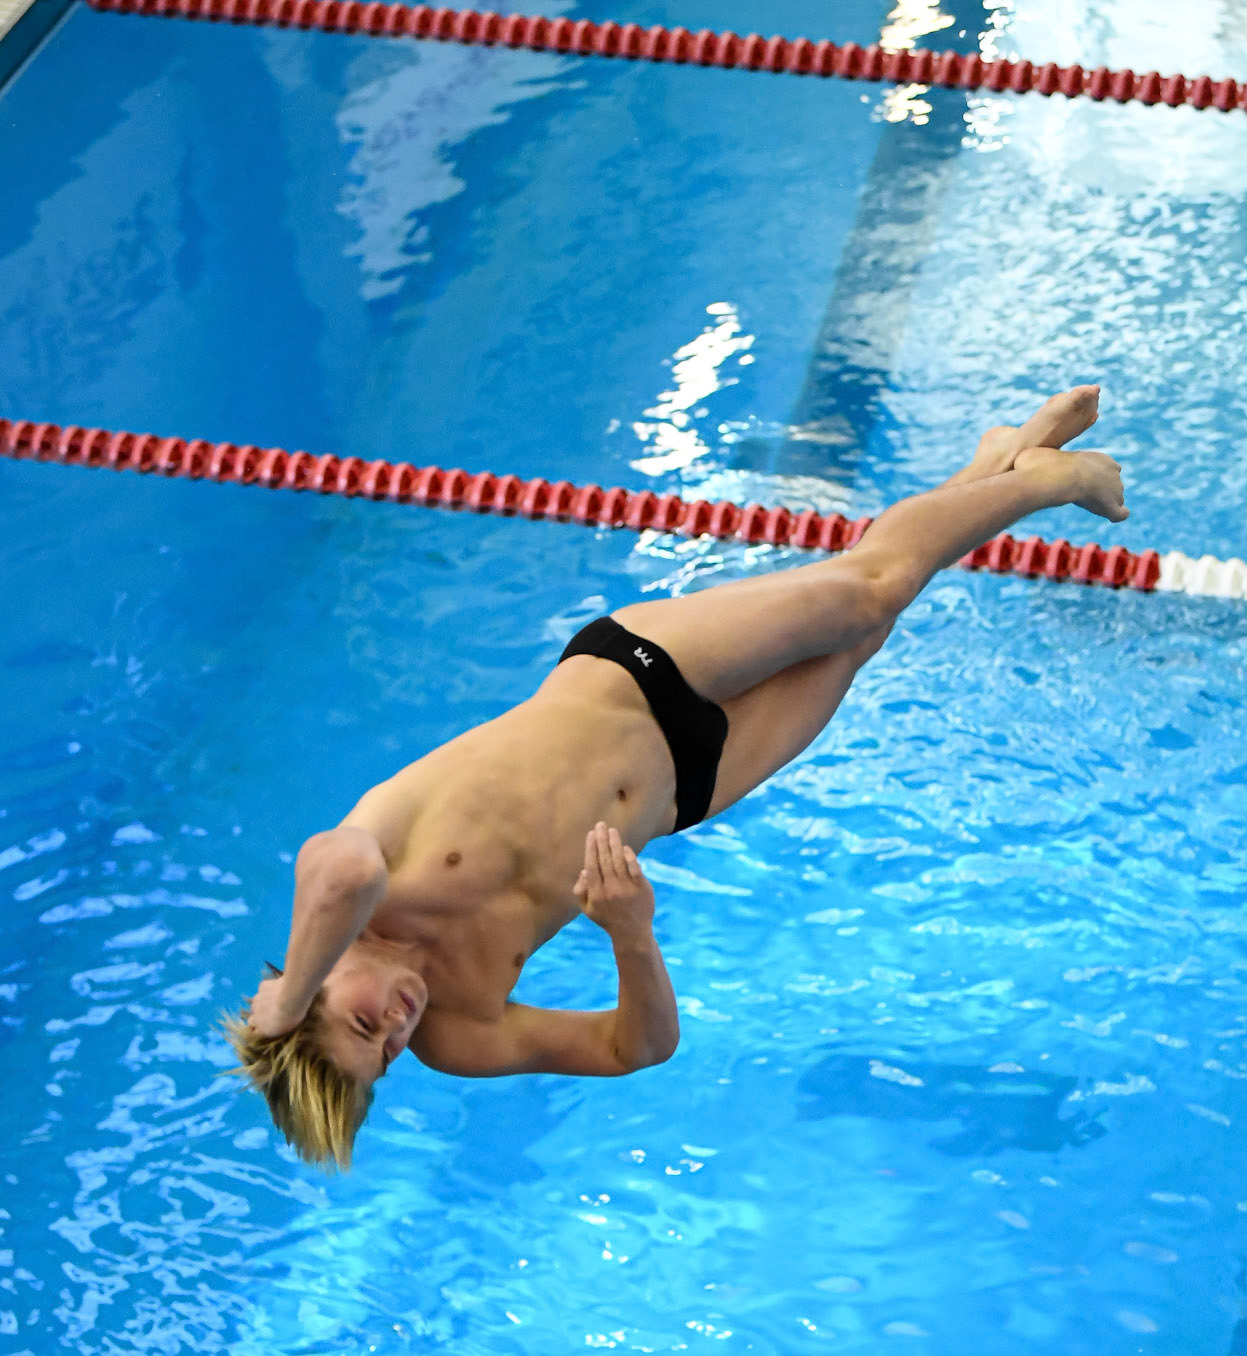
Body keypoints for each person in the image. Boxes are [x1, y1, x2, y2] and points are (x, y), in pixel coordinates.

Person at [225, 386, 1127, 1167]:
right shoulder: (458, 1035)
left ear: (309, 992)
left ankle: (1046, 483)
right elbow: (635, 1049)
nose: (397, 1027)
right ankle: (998, 465)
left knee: (867, 590)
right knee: (866, 633)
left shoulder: (364, 882)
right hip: (692, 786)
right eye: (385, 1054)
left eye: (360, 1023)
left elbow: (336, 872)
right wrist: (629, 932)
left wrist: (282, 1013)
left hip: (639, 675)